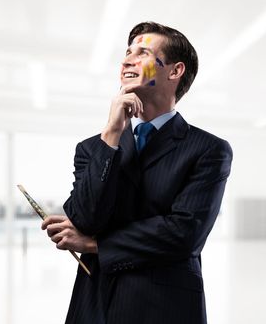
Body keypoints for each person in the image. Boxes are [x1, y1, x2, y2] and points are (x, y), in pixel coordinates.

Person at [42, 21, 233, 324]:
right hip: (95, 306)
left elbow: (183, 234)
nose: (127, 59)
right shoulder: (94, 148)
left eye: (142, 52)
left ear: (175, 71)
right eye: (127, 52)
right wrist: (112, 134)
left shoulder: (208, 149)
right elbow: (85, 219)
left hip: (164, 308)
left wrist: (95, 244)